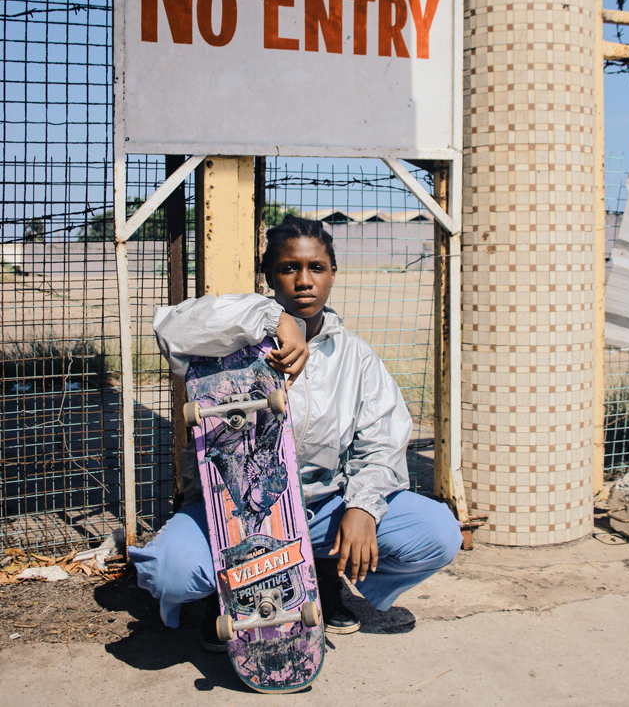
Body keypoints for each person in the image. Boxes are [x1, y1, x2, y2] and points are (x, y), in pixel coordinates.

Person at [130, 215, 461, 649]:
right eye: (289, 268)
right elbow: (170, 327)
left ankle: (322, 579)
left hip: (322, 507)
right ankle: (226, 594)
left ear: (332, 274)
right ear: (270, 275)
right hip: (230, 512)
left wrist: (362, 507)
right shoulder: (231, 341)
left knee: (438, 532)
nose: (304, 280)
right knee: (169, 572)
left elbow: (382, 441)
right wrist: (271, 318)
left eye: (316, 268)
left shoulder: (356, 357)